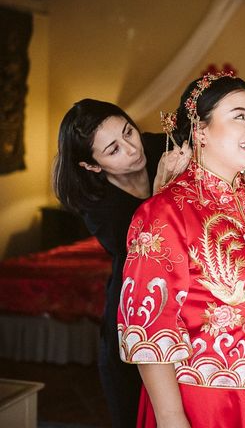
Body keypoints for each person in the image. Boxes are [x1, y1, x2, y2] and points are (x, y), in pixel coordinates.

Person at [117, 73, 245, 428]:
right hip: (204, 401)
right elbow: (149, 328)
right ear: (201, 130)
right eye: (238, 116)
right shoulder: (165, 211)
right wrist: (171, 417)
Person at [53, 99, 191, 428]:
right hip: (133, 315)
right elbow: (142, 250)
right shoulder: (94, 201)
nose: (132, 149)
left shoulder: (166, 146)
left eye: (129, 131)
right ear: (92, 166)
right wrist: (161, 191)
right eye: (113, 150)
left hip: (191, 304)